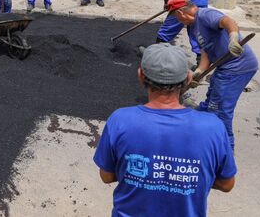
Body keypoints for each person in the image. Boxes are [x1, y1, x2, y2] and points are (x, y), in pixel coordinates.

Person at [94, 43, 236, 217]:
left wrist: (147, 175)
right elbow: (227, 184)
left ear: (141, 76)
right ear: (189, 78)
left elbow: (106, 176)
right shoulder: (213, 127)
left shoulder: (120, 120)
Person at [166, 0, 259, 149]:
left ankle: (225, 150)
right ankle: (200, 127)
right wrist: (199, 72)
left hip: (237, 67)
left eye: (176, 17)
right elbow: (205, 52)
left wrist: (233, 38)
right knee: (211, 101)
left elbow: (228, 21)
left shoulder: (205, 15)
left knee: (221, 110)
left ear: (181, 13)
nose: (177, 21)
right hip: (224, 67)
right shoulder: (192, 27)